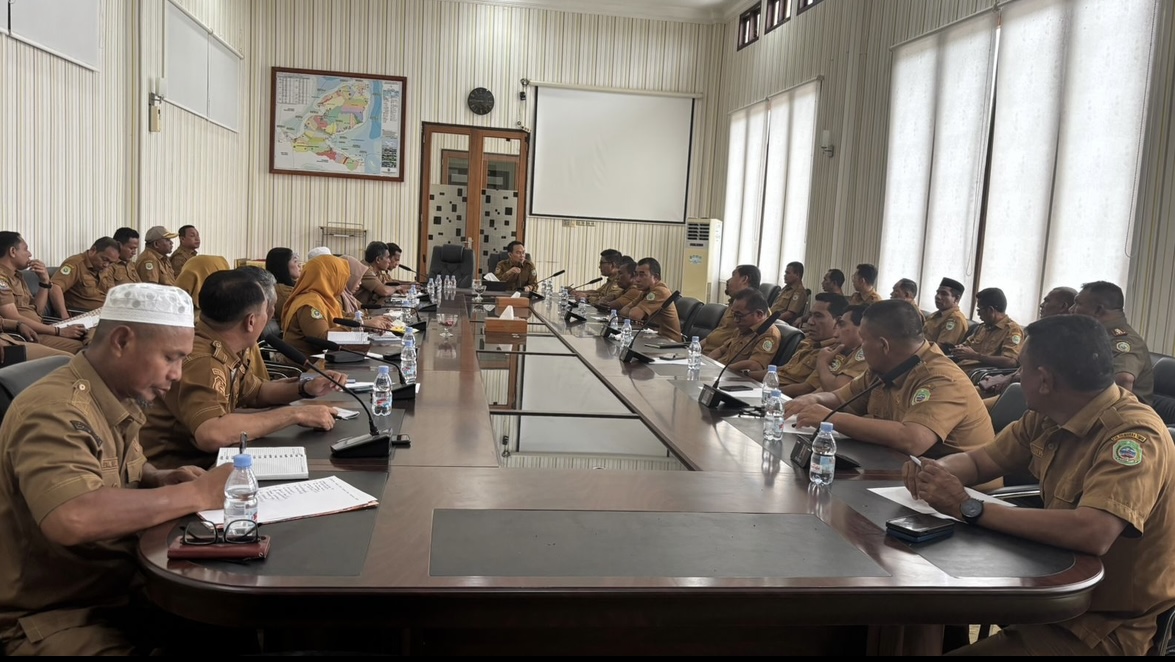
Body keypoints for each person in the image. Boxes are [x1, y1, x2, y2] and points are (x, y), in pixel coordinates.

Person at [907, 315, 1175, 656]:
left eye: (1023, 368)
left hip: (1102, 626)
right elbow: (980, 462)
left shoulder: (1132, 436)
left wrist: (968, 507)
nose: (1019, 376)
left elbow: (1094, 531)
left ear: (1045, 379)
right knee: (921, 614)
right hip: (1044, 593)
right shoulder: (1048, 414)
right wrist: (934, 472)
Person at [0, 282, 237, 656]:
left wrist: (158, 478)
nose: (177, 374)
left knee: (232, 626)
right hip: (54, 617)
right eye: (170, 358)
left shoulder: (116, 396)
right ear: (122, 341)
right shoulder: (55, 410)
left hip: (118, 591)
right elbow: (71, 516)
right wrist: (196, 494)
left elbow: (127, 468)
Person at [141, 271, 343, 470]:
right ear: (251, 321)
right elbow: (211, 433)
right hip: (179, 473)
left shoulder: (222, 345)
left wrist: (306, 388)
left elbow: (256, 392)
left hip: (208, 463)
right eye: (266, 312)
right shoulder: (204, 361)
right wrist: (295, 414)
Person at [785, 300, 994, 457]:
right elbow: (841, 398)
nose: (860, 347)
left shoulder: (942, 378)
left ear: (884, 345)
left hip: (960, 490)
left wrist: (831, 418)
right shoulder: (884, 366)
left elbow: (913, 439)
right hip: (896, 471)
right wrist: (813, 399)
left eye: (863, 340)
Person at [280, 255, 391, 358]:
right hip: (307, 366)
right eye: (341, 277)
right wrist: (361, 325)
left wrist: (367, 323)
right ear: (329, 278)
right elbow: (322, 339)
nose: (343, 283)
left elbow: (341, 318)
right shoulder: (309, 303)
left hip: (325, 360)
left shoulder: (326, 299)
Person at [978, 286, 1077, 397]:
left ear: (1062, 306)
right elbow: (1023, 368)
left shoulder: (1063, 340)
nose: (1041, 305)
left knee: (971, 402)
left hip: (1028, 394)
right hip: (1011, 386)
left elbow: (1039, 374)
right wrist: (1002, 378)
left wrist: (1008, 380)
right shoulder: (1043, 331)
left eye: (1047, 301)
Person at [1070, 281, 1154, 405]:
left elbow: (1124, 379)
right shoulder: (1097, 335)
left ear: (1098, 310)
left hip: (1121, 414)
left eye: (1078, 303)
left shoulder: (1123, 340)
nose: (1071, 309)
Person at [0, 232, 85, 353]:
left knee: (89, 338)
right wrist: (59, 331)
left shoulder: (17, 276)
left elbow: (37, 311)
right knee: (83, 349)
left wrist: (44, 281)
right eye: (26, 249)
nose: (30, 254)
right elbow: (12, 317)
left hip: (40, 329)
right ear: (13, 251)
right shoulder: (2, 279)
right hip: (24, 336)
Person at [777, 293, 849, 394]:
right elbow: (783, 369)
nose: (810, 322)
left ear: (838, 322)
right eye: (811, 315)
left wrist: (767, 392)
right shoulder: (808, 341)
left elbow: (806, 389)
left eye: (818, 316)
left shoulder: (834, 353)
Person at [706, 290, 781, 375]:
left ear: (759, 314)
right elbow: (721, 350)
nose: (735, 320)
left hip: (733, 377)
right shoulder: (741, 328)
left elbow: (754, 365)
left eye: (739, 316)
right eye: (734, 315)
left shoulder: (768, 334)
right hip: (720, 372)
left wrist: (724, 370)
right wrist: (707, 364)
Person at [951, 287, 1024, 373]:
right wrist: (959, 348)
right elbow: (966, 345)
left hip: (979, 374)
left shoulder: (1012, 330)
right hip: (960, 368)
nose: (978, 314)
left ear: (990, 310)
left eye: (979, 310)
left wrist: (976, 356)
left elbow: (1010, 362)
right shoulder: (982, 327)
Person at [806, 304, 870, 394]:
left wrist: (822, 363)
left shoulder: (865, 354)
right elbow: (820, 392)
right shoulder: (847, 351)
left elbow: (835, 390)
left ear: (862, 328)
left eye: (842, 325)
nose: (835, 335)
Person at [51, 237, 120, 313]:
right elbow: (55, 287)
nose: (106, 265)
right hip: (83, 314)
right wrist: (64, 316)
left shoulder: (104, 268)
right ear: (93, 250)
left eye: (111, 262)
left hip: (106, 312)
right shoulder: (75, 264)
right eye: (104, 259)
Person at [701, 265, 761, 354]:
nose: (728, 280)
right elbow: (716, 334)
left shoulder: (755, 311)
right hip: (704, 353)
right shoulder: (733, 304)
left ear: (744, 279)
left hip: (720, 357)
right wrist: (692, 348)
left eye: (733, 276)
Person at [618, 257, 681, 340]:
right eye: (636, 274)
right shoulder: (646, 291)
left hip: (668, 342)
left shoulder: (660, 291)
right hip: (653, 337)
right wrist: (636, 315)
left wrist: (639, 316)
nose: (637, 279)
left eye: (642, 275)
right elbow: (623, 311)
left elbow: (634, 315)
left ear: (655, 277)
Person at [923, 277, 970, 347]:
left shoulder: (955, 319)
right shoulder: (936, 314)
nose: (938, 297)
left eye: (944, 294)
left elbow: (941, 348)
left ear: (956, 298)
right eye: (937, 293)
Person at [355, 241, 402, 306]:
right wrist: (398, 288)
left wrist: (408, 285)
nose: (389, 261)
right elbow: (384, 291)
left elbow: (388, 283)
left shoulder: (377, 271)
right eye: (387, 257)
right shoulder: (364, 269)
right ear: (378, 259)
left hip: (369, 307)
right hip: (358, 310)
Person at [264, 247, 300, 322]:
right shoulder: (282, 293)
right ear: (283, 266)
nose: (299, 265)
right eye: (295, 261)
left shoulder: (295, 286)